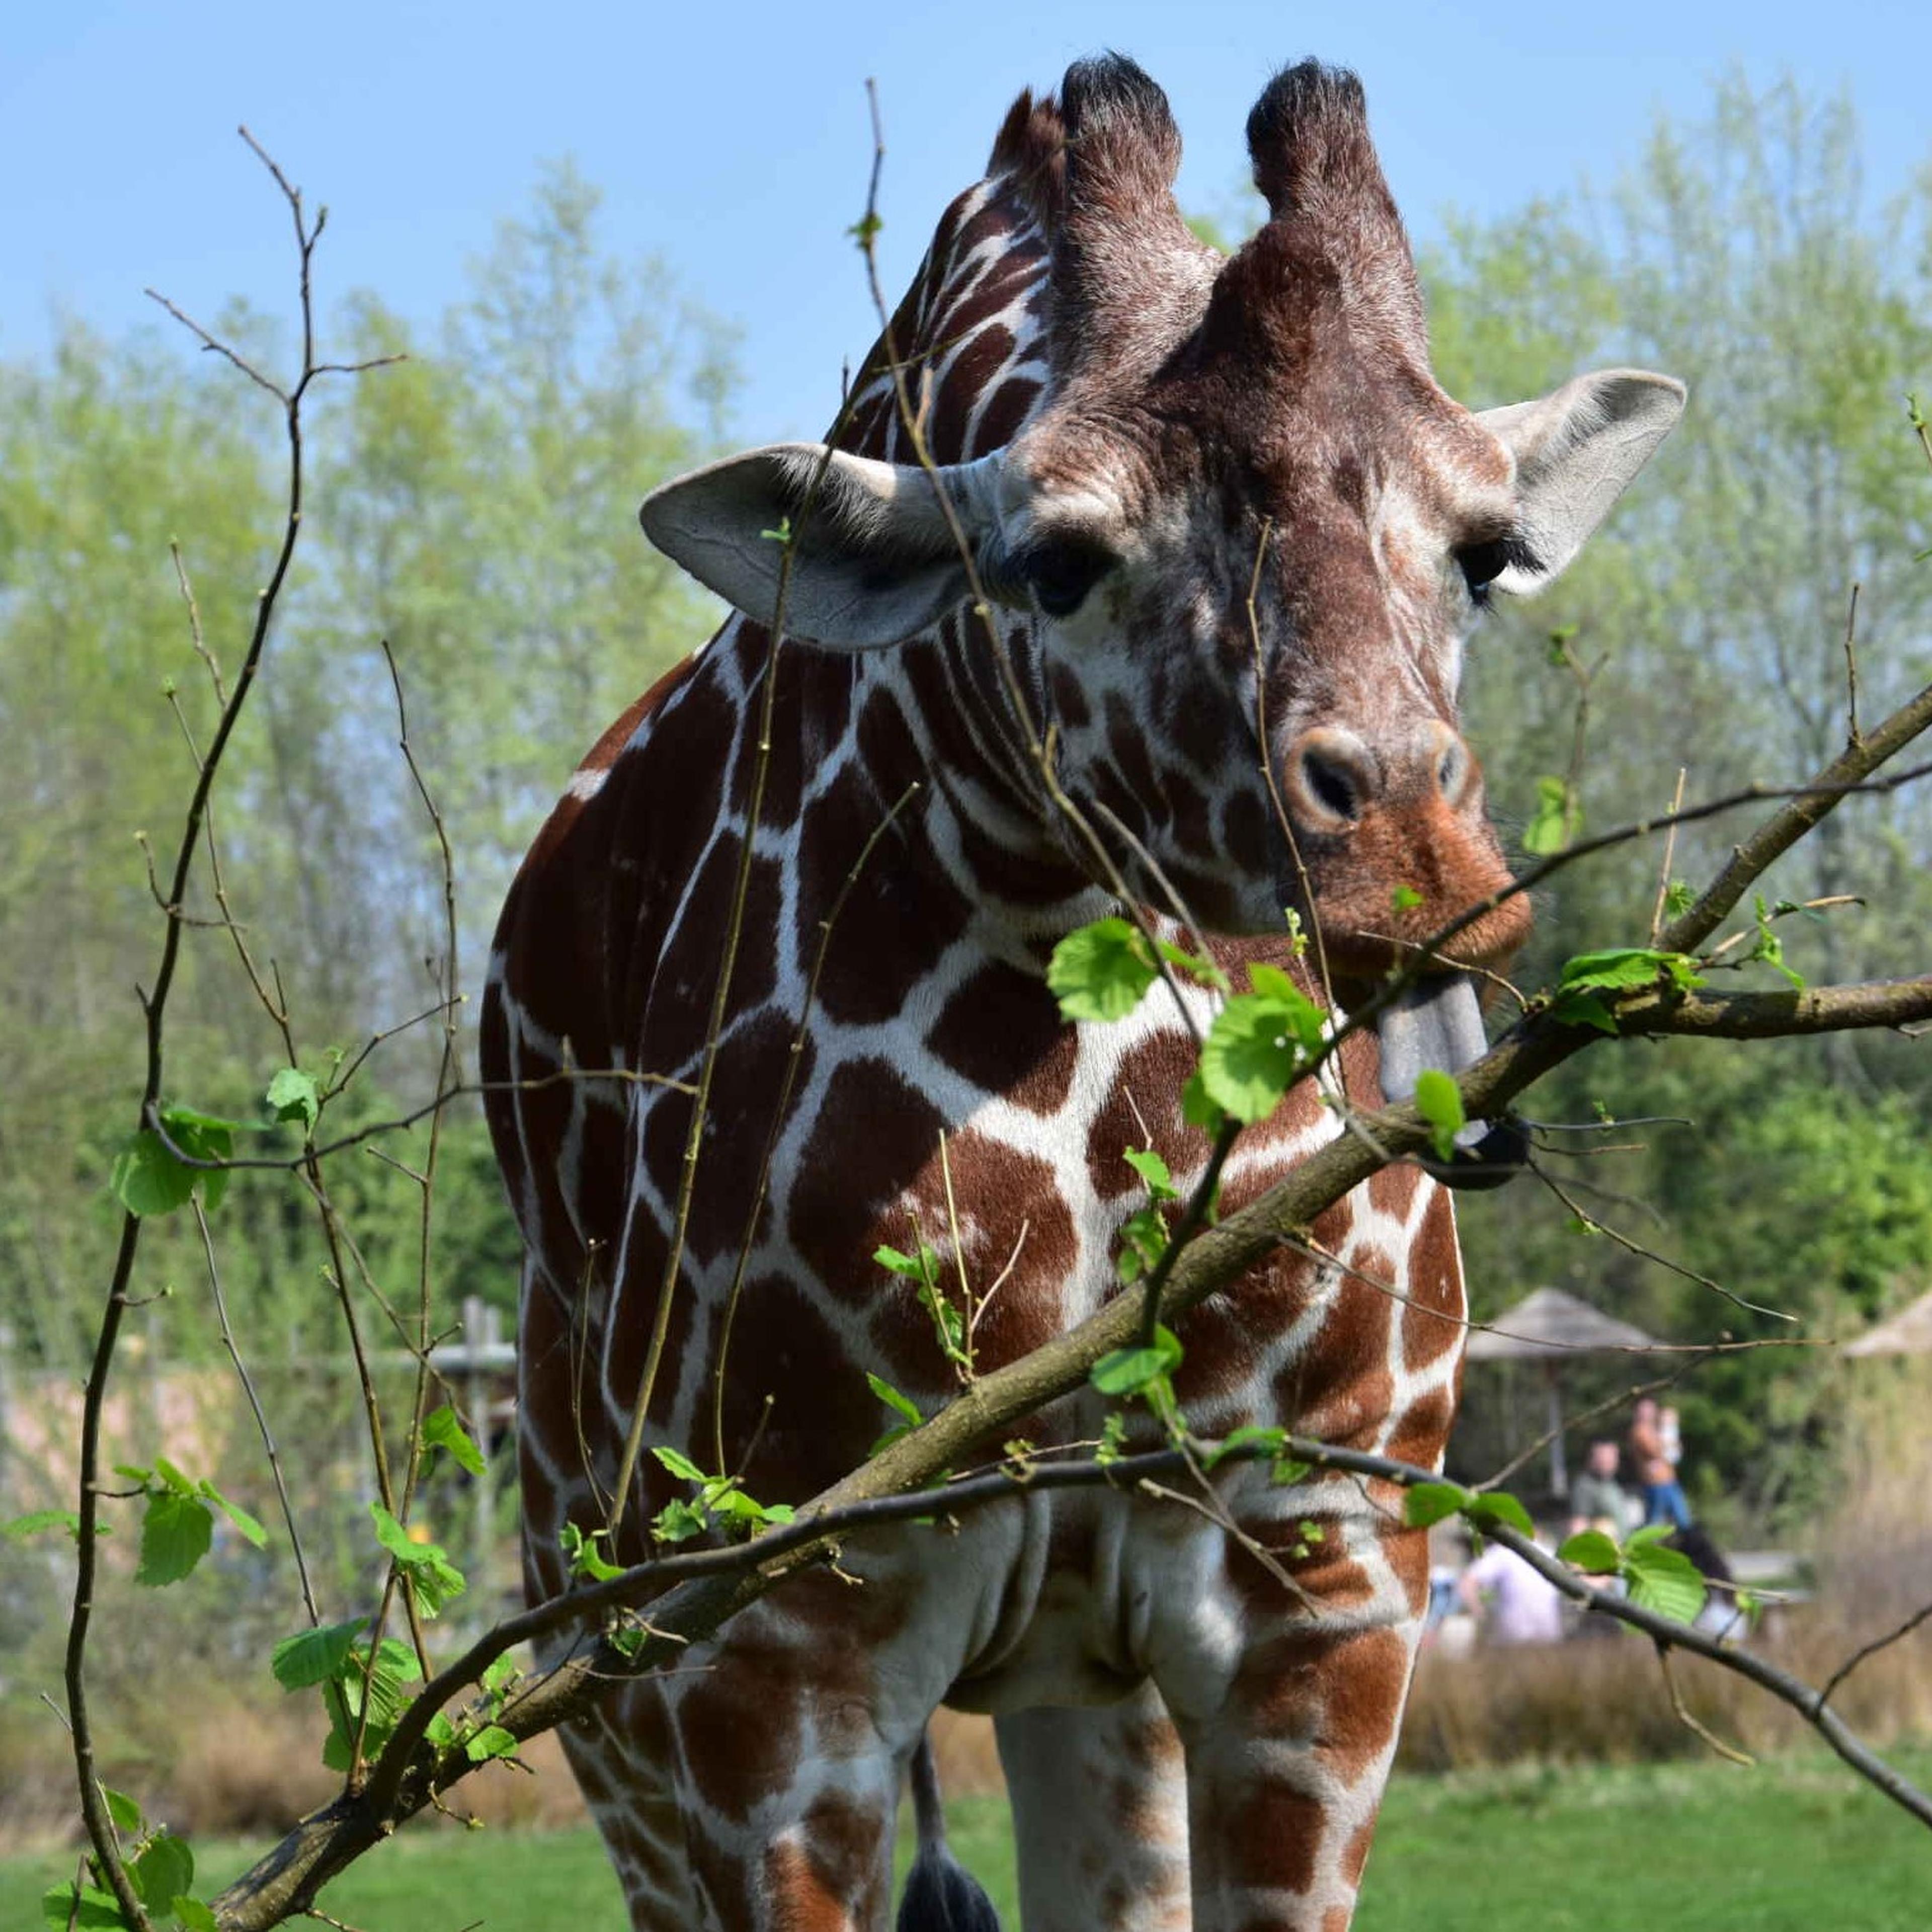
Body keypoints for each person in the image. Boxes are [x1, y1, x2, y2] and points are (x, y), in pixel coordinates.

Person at [1457, 1536, 1566, 1646]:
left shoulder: (1502, 1553)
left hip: (1513, 1639)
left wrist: (1481, 1616)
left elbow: (1467, 1583)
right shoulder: (1549, 1553)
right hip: (1548, 1637)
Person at [1630, 1396, 1692, 1530]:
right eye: (1644, 1410)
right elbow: (1654, 1451)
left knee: (1683, 1518)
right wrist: (1668, 1439)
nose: (1648, 1413)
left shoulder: (1657, 1430)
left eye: (1650, 1409)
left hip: (1669, 1480)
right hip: (1654, 1483)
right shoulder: (1640, 1431)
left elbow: (1676, 1451)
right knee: (1654, 1520)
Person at [1567, 1437, 1639, 1539]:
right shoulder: (1585, 1486)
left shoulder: (1610, 1482)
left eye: (1613, 1458)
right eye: (1604, 1458)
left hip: (1622, 1548)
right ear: (1592, 1459)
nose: (1609, 1462)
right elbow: (1578, 1524)